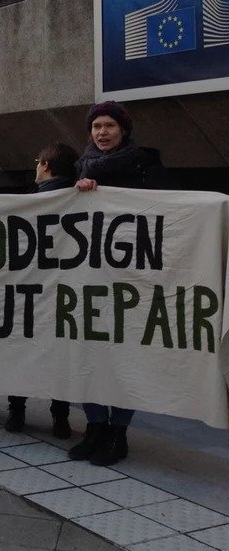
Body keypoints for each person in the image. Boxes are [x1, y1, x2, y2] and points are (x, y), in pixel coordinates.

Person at [68, 101, 176, 466]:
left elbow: (168, 211)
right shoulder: (80, 168)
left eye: (109, 125)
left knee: (125, 358)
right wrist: (77, 192)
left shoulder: (146, 165)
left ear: (123, 129)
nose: (102, 132)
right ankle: (96, 425)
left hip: (131, 283)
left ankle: (118, 432)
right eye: (96, 126)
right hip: (90, 281)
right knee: (88, 355)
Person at [4, 142, 80, 437]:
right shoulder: (78, 197)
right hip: (62, 293)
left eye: (38, 161)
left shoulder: (30, 202)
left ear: (45, 166)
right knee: (58, 354)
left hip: (27, 291)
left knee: (20, 350)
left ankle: (17, 411)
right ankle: (60, 418)